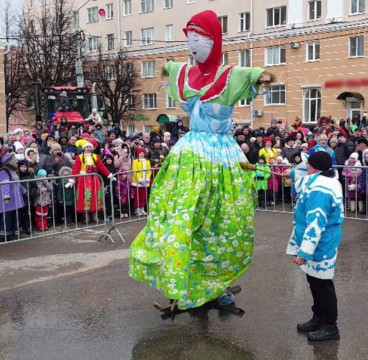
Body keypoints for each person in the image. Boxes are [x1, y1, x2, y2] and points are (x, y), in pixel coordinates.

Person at [129, 10, 271, 310]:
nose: (192, 46)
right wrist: (165, 69)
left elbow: (265, 76)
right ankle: (184, 280)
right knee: (181, 218)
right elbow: (168, 67)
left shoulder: (231, 76)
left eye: (199, 39)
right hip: (191, 154)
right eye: (189, 40)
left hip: (222, 157)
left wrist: (265, 76)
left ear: (214, 41)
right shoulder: (186, 73)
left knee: (221, 223)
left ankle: (214, 283)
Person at [285, 151, 343, 342]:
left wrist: (303, 253)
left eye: (308, 164)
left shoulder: (320, 190)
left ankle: (330, 326)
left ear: (315, 168)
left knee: (323, 284)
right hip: (318, 242)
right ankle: (318, 317)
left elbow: (315, 225)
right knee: (314, 281)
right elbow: (303, 179)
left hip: (321, 243)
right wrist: (292, 174)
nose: (305, 167)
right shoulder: (322, 178)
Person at [66, 142, 115, 224]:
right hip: (84, 180)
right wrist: (72, 179)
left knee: (95, 196)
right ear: (84, 148)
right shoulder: (79, 157)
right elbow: (75, 169)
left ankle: (94, 214)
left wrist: (109, 175)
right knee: (86, 196)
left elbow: (101, 167)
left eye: (90, 147)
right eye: (87, 147)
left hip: (94, 179)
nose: (88, 148)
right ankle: (86, 216)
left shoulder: (96, 157)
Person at [0, 150, 26, 241]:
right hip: (8, 199)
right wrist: (6, 195)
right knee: (7, 217)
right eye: (15, 160)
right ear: (9, 162)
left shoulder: (13, 171)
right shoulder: (4, 171)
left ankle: (15, 233)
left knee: (15, 215)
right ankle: (6, 235)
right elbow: (4, 184)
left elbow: (16, 182)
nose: (17, 161)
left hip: (15, 198)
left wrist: (23, 190)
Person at [131, 148, 151, 217]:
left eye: (142, 153)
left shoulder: (147, 161)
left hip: (145, 181)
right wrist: (140, 179)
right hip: (137, 182)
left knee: (143, 196)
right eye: (140, 153)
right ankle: (137, 209)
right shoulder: (135, 161)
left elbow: (149, 171)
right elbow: (135, 171)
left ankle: (142, 207)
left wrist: (147, 178)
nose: (141, 154)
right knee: (137, 196)